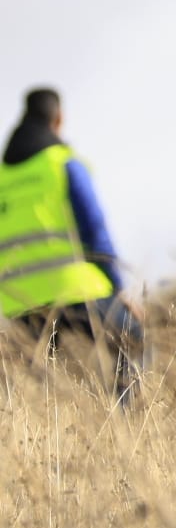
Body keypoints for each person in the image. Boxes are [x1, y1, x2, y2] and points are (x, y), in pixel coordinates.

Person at [0, 88, 147, 405]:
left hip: (18, 302)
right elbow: (94, 229)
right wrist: (118, 287)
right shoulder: (64, 164)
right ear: (59, 118)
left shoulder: (2, 177)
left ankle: (26, 446)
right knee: (132, 339)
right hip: (76, 291)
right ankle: (127, 424)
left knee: (26, 389)